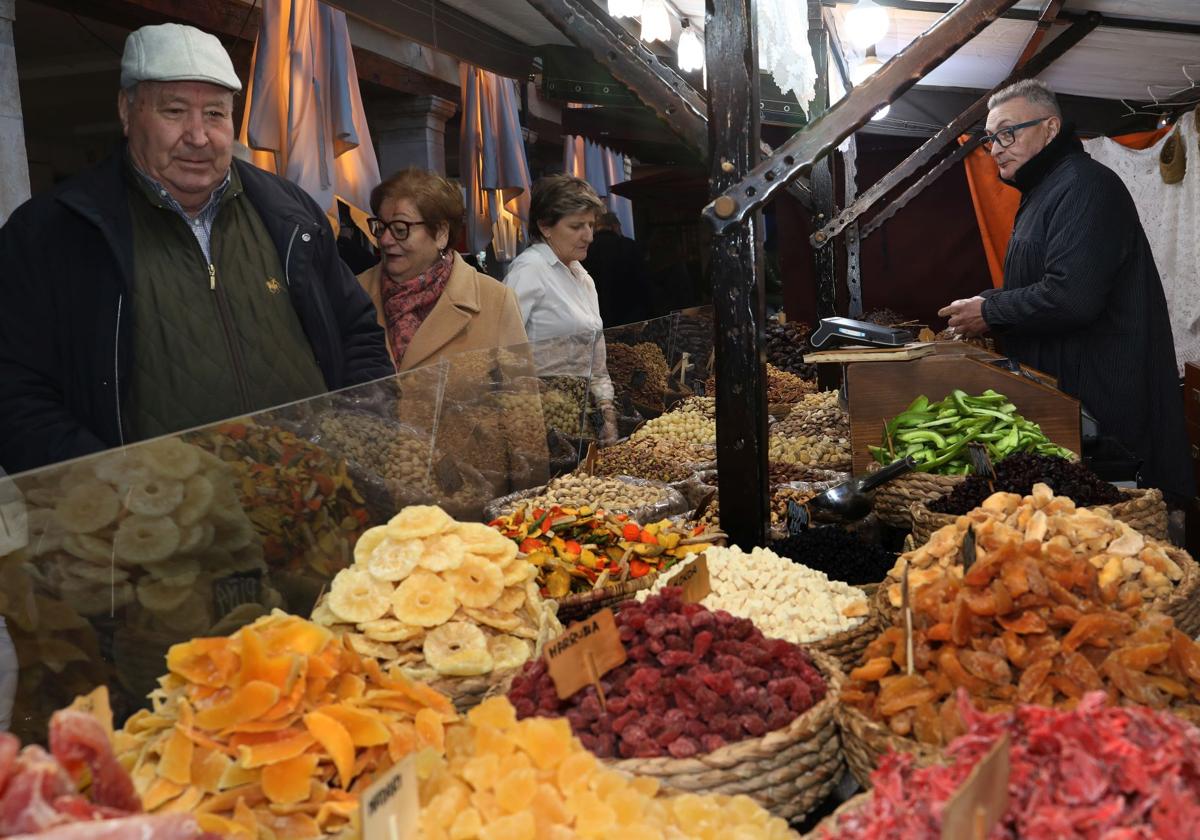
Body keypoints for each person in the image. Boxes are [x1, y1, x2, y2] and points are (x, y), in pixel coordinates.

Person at [0, 23, 392, 476]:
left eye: (215, 115)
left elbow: (358, 332)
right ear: (128, 112)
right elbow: (14, 389)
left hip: (309, 501)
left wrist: (362, 430)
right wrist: (106, 485)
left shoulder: (292, 214)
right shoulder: (53, 231)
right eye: (174, 111)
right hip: (156, 529)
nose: (199, 136)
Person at [939, 79, 1194, 501]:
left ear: (1051, 129)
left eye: (1007, 132)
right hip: (1068, 399)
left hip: (1103, 408)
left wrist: (991, 311)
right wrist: (989, 301)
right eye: (990, 139)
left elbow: (1071, 298)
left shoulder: (1084, 186)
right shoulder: (1044, 189)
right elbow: (1039, 282)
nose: (996, 147)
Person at [356, 168, 528, 371]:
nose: (384, 240)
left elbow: (521, 395)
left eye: (400, 229)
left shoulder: (495, 301)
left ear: (441, 234)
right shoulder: (353, 292)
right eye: (381, 227)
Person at [505, 175, 618, 444]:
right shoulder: (529, 270)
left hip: (581, 418)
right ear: (545, 226)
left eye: (591, 225)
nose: (589, 236)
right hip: (541, 422)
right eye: (577, 226)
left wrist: (606, 408)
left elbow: (596, 358)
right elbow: (502, 352)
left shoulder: (582, 277)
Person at [582, 211, 646, 326]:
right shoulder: (630, 246)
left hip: (598, 316)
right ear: (615, 226)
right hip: (631, 315)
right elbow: (643, 281)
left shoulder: (584, 250)